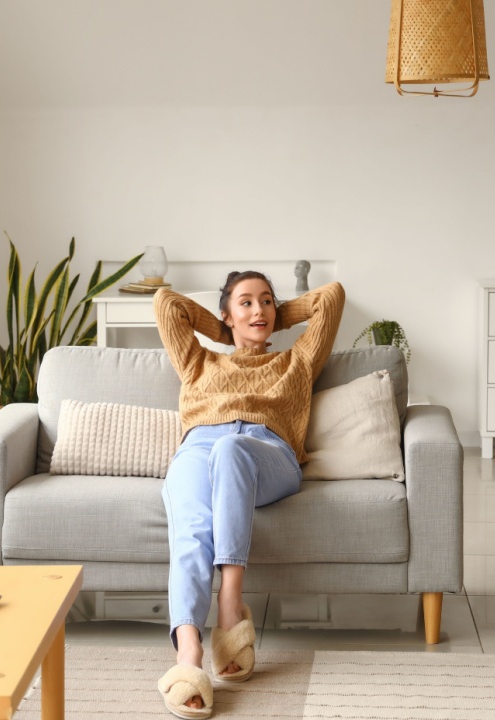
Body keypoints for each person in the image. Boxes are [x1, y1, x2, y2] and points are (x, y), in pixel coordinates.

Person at [152, 271, 345, 718]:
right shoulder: (200, 361)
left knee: (232, 447)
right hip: (198, 450)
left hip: (266, 454)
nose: (258, 309)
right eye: (246, 303)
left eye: (266, 302)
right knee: (193, 531)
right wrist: (227, 328)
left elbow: (331, 297)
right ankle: (188, 656)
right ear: (226, 315)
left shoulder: (296, 362)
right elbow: (166, 303)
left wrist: (268, 318)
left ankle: (230, 607)